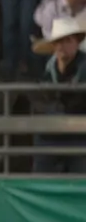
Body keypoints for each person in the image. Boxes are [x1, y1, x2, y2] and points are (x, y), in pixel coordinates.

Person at [29, 18, 86, 173]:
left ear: (76, 43)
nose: (62, 46)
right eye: (58, 42)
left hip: (80, 133)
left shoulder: (84, 68)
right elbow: (40, 99)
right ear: (54, 46)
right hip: (52, 133)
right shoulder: (49, 70)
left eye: (67, 41)